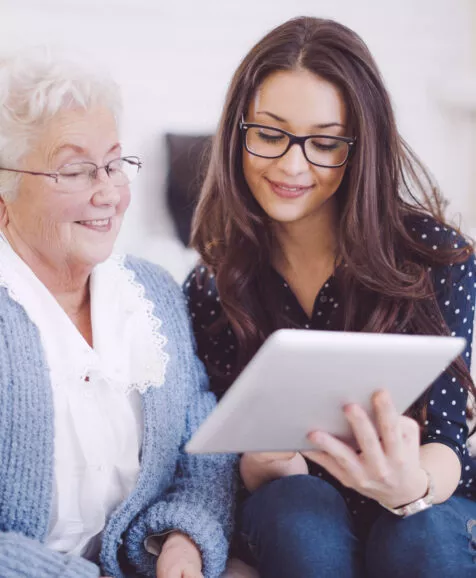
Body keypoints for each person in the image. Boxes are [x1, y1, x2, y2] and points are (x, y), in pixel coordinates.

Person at [184, 16, 476, 578]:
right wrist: (262, 468)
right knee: (300, 511)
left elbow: (448, 447)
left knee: (417, 531)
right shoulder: (213, 284)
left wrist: (407, 488)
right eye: (270, 134)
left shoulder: (433, 258)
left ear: (360, 147)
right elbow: (215, 466)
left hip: (424, 506)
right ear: (237, 130)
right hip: (295, 516)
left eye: (324, 143)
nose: (293, 167)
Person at [0, 50, 235, 578]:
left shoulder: (151, 292)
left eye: (113, 163)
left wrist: (183, 539)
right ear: (4, 192)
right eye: (76, 170)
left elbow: (203, 448)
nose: (108, 192)